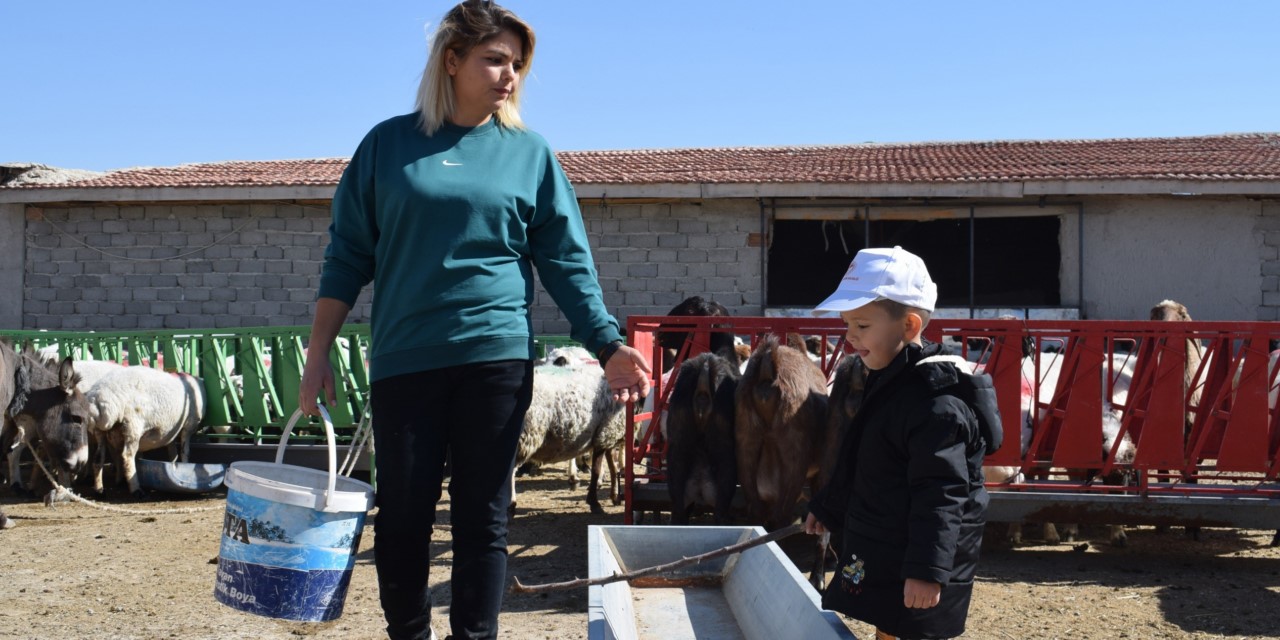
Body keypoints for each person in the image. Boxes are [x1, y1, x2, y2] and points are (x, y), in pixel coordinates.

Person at [297, 2, 651, 638]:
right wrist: (317, 353)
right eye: (494, 59)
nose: (508, 75)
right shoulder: (386, 146)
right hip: (407, 360)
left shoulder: (530, 155)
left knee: (482, 519)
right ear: (452, 60)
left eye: (516, 64)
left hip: (496, 360)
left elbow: (567, 263)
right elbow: (347, 255)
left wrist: (608, 341)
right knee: (403, 517)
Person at [803, 246, 1000, 640]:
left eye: (861, 326)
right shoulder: (891, 381)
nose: (849, 337)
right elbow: (862, 457)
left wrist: (927, 572)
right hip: (891, 548)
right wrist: (829, 506)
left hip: (918, 562)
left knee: (909, 630)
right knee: (890, 627)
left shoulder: (936, 405)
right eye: (847, 324)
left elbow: (941, 494)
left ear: (909, 326)